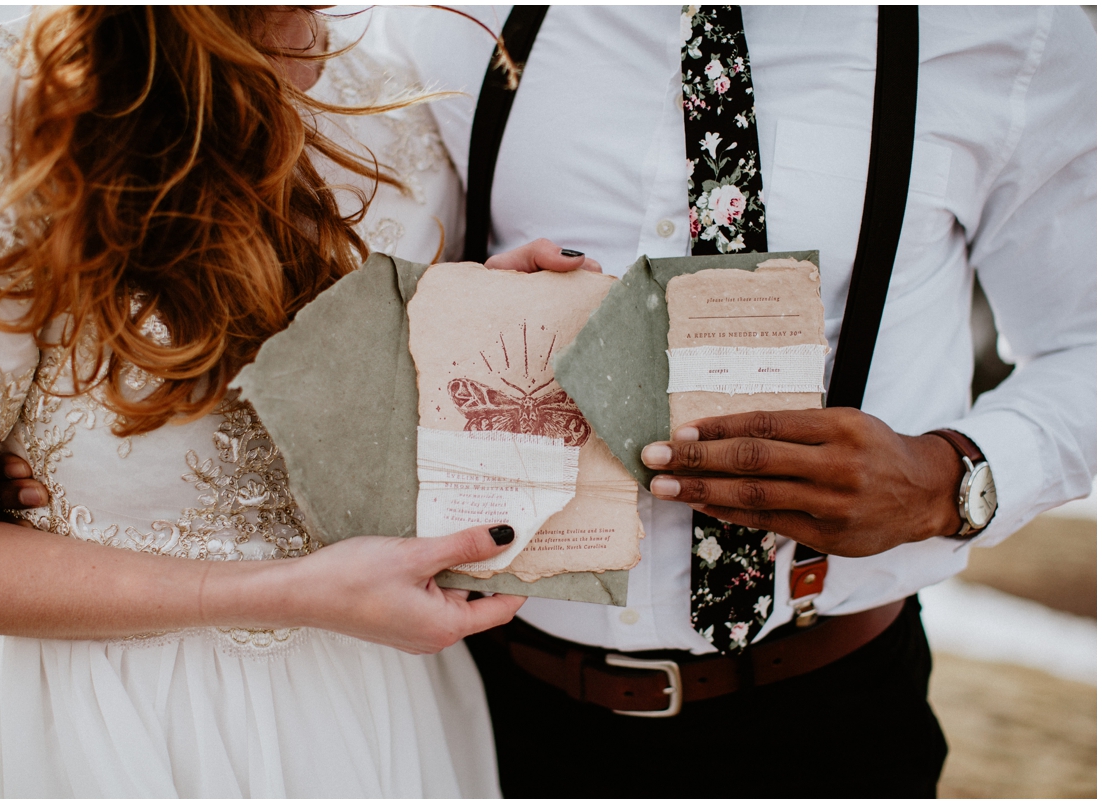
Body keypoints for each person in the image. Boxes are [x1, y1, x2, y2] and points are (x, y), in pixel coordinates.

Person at [338, 5, 1092, 797]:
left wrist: (952, 480)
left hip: (826, 721)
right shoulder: (461, 18)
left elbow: (1088, 341)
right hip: (489, 710)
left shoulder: (1008, 29)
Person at [0, 7, 543, 797]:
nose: (318, 24)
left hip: (393, 698)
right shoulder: (11, 103)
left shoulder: (397, 82)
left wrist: (477, 328)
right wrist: (286, 594)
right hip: (145, 724)